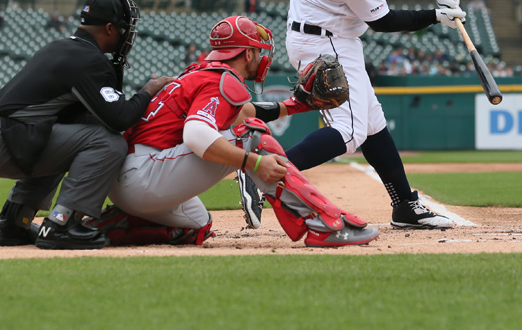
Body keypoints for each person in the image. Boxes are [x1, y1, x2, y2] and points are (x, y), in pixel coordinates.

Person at [85, 15, 379, 248]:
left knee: (196, 224)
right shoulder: (222, 80)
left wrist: (295, 105)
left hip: (125, 180)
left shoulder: (199, 73)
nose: (262, 57)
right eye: (259, 51)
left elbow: (241, 112)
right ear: (248, 53)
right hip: (145, 175)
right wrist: (254, 163)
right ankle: (323, 223)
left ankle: (107, 225)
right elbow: (196, 135)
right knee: (251, 134)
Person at [282, 0, 465, 229]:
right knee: (349, 132)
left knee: (372, 123)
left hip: (325, 33)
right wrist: (434, 16)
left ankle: (405, 205)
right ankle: (265, 171)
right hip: (325, 41)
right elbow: (382, 21)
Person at [0, 0, 175, 250]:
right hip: (4, 141)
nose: (127, 35)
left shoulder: (61, 47)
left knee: (75, 136)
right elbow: (119, 119)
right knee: (108, 142)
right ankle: (62, 224)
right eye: (124, 29)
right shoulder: (88, 59)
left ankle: (14, 223)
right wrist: (147, 91)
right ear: (110, 28)